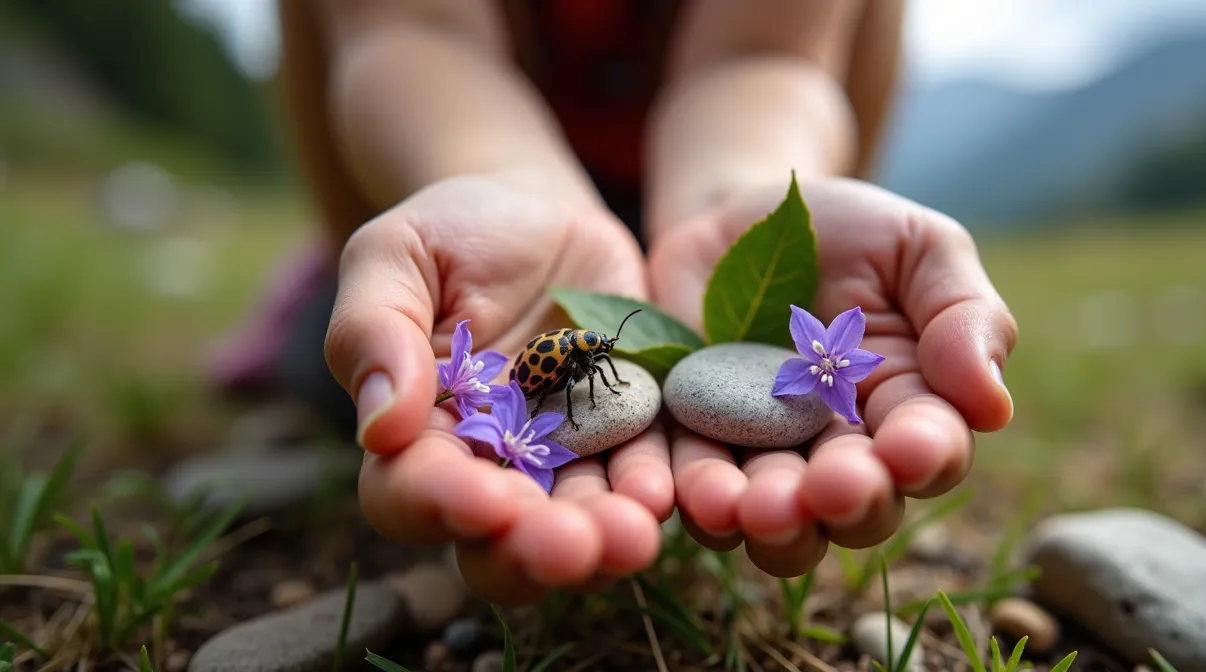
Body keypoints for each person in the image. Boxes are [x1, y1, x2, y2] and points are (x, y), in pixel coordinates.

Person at [214, 0, 1018, 605]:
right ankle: (337, 257)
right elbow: (412, 30)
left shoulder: (616, 346)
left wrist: (747, 195)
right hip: (462, 186)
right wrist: (502, 180)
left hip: (694, 197)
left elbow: (764, 56)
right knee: (332, 376)